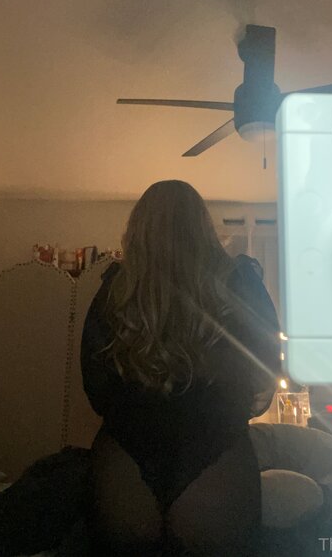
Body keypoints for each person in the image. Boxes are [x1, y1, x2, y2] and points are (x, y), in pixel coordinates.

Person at [81, 180, 280, 556]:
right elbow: (265, 375)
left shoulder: (116, 288)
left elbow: (96, 388)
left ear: (137, 228)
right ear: (203, 226)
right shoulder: (240, 282)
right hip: (216, 450)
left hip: (125, 457)